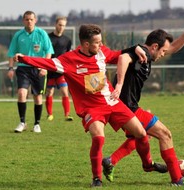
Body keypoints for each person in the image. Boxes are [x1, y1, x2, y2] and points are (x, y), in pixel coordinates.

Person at [13, 24, 162, 187]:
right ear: (85, 44)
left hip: (111, 102)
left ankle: (148, 165)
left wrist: (137, 48)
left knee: (140, 132)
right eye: (97, 42)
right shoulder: (68, 60)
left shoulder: (101, 52)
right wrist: (23, 58)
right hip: (92, 108)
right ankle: (96, 178)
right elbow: (45, 62)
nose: (101, 45)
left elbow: (119, 55)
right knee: (98, 137)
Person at [102, 16, 184, 187]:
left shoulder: (149, 55)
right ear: (155, 47)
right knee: (165, 134)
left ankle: (112, 161)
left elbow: (173, 47)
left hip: (126, 106)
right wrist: (119, 84)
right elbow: (122, 59)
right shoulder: (140, 53)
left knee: (142, 136)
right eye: (163, 51)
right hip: (125, 107)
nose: (164, 54)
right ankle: (176, 180)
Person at [7, 10, 54, 133]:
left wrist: (45, 67)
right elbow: (11, 53)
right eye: (27, 19)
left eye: (31, 19)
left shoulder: (42, 33)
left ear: (35, 20)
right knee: (22, 93)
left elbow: (49, 51)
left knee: (37, 97)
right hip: (23, 68)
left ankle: (37, 124)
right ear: (23, 20)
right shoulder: (18, 35)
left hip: (38, 68)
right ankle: (22, 122)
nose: (29, 21)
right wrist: (11, 68)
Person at [46, 16, 73, 122]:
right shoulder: (48, 38)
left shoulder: (67, 40)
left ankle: (67, 114)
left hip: (61, 71)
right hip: (49, 70)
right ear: (55, 24)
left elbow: (68, 55)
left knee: (65, 92)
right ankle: (50, 114)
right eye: (60, 25)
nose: (61, 27)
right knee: (49, 92)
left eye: (64, 25)